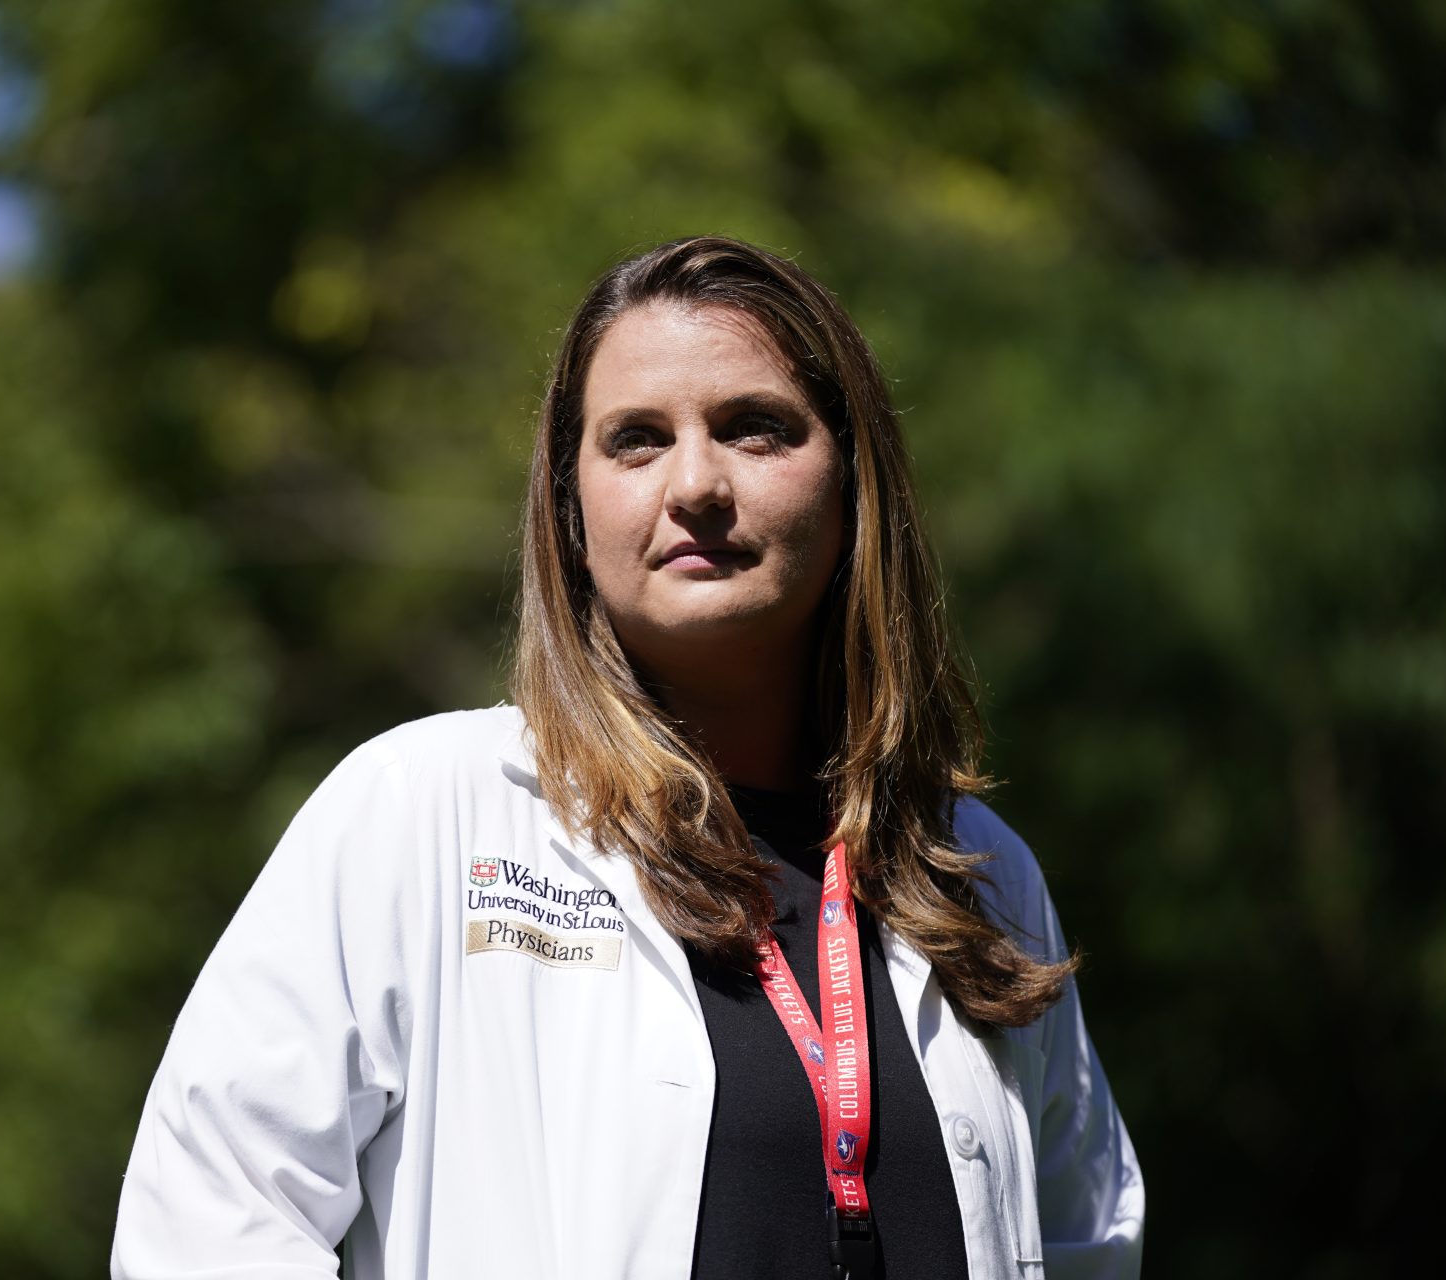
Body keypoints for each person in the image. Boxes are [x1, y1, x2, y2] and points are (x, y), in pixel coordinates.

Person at [109, 236, 1144, 1280]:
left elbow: (1092, 1244)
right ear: (572, 509)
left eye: (754, 428)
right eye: (637, 441)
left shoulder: (980, 871)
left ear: (854, 487)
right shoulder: (425, 813)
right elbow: (206, 1219)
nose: (696, 482)